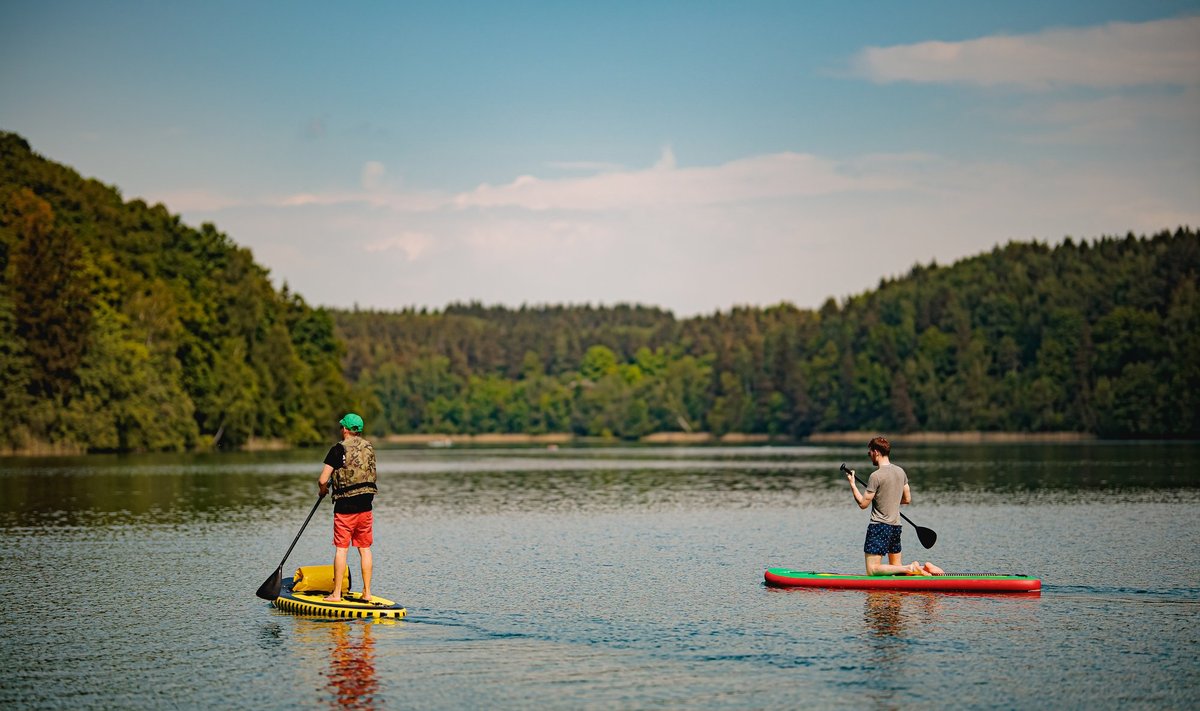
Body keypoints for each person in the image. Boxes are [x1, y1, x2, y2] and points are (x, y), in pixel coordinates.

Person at [846, 436, 943, 576]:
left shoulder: (876, 476)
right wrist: (886, 500)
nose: (870, 456)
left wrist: (852, 484)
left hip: (879, 526)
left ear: (877, 452)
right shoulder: (900, 472)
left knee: (872, 570)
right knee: (896, 568)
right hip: (896, 526)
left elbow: (863, 504)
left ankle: (910, 568)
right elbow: (907, 499)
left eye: (870, 453)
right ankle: (925, 569)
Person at [317, 413, 378, 601]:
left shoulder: (337, 450)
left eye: (342, 427)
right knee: (365, 548)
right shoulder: (369, 447)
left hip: (345, 506)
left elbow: (323, 479)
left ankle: (336, 594)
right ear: (358, 430)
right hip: (366, 505)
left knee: (342, 549)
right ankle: (367, 592)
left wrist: (323, 490)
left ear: (345, 429)